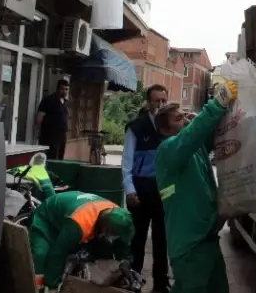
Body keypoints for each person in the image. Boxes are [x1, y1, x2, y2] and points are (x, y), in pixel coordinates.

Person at [155, 81, 238, 293]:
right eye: (178, 118)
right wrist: (216, 103)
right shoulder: (167, 151)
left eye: (185, 115)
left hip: (207, 240)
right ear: (165, 130)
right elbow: (192, 135)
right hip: (190, 245)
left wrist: (227, 110)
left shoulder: (195, 148)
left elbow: (206, 133)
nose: (184, 120)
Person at [29, 190, 134, 291]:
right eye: (115, 234)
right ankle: (37, 288)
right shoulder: (80, 223)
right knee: (41, 255)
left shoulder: (118, 216)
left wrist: (124, 261)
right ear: (107, 229)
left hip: (70, 212)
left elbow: (121, 242)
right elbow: (58, 252)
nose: (116, 237)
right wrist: (53, 284)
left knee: (101, 251)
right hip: (47, 217)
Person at [121, 84, 170, 293]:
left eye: (163, 101)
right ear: (148, 103)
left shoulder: (170, 128)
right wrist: (130, 190)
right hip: (141, 190)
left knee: (162, 240)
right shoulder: (136, 128)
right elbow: (126, 163)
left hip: (164, 191)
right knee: (137, 239)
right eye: (156, 100)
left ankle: (160, 284)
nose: (160, 104)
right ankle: (134, 280)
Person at [35, 79, 70, 160]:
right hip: (50, 135)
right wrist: (39, 132)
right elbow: (40, 117)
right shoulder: (48, 100)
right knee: (51, 157)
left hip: (62, 135)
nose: (64, 91)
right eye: (62, 89)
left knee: (60, 156)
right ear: (57, 89)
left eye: (66, 89)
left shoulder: (65, 102)